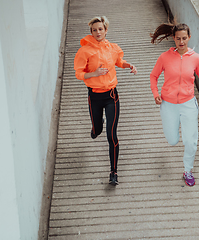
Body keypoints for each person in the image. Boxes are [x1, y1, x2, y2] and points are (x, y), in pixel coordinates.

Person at [74, 16, 137, 186]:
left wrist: (129, 65)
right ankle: (96, 126)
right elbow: (78, 73)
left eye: (100, 29)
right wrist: (94, 74)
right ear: (91, 32)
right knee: (97, 131)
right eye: (94, 30)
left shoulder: (113, 48)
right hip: (94, 96)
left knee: (112, 135)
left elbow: (119, 62)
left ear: (106, 30)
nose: (98, 32)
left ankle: (113, 172)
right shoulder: (84, 51)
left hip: (111, 97)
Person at [150, 22, 199, 186]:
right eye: (178, 39)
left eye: (184, 38)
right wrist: (156, 94)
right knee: (172, 140)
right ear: (173, 39)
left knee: (191, 141)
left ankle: (188, 170)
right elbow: (153, 76)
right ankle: (174, 133)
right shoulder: (164, 57)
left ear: (189, 37)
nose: (181, 42)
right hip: (168, 105)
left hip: (188, 104)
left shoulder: (196, 58)